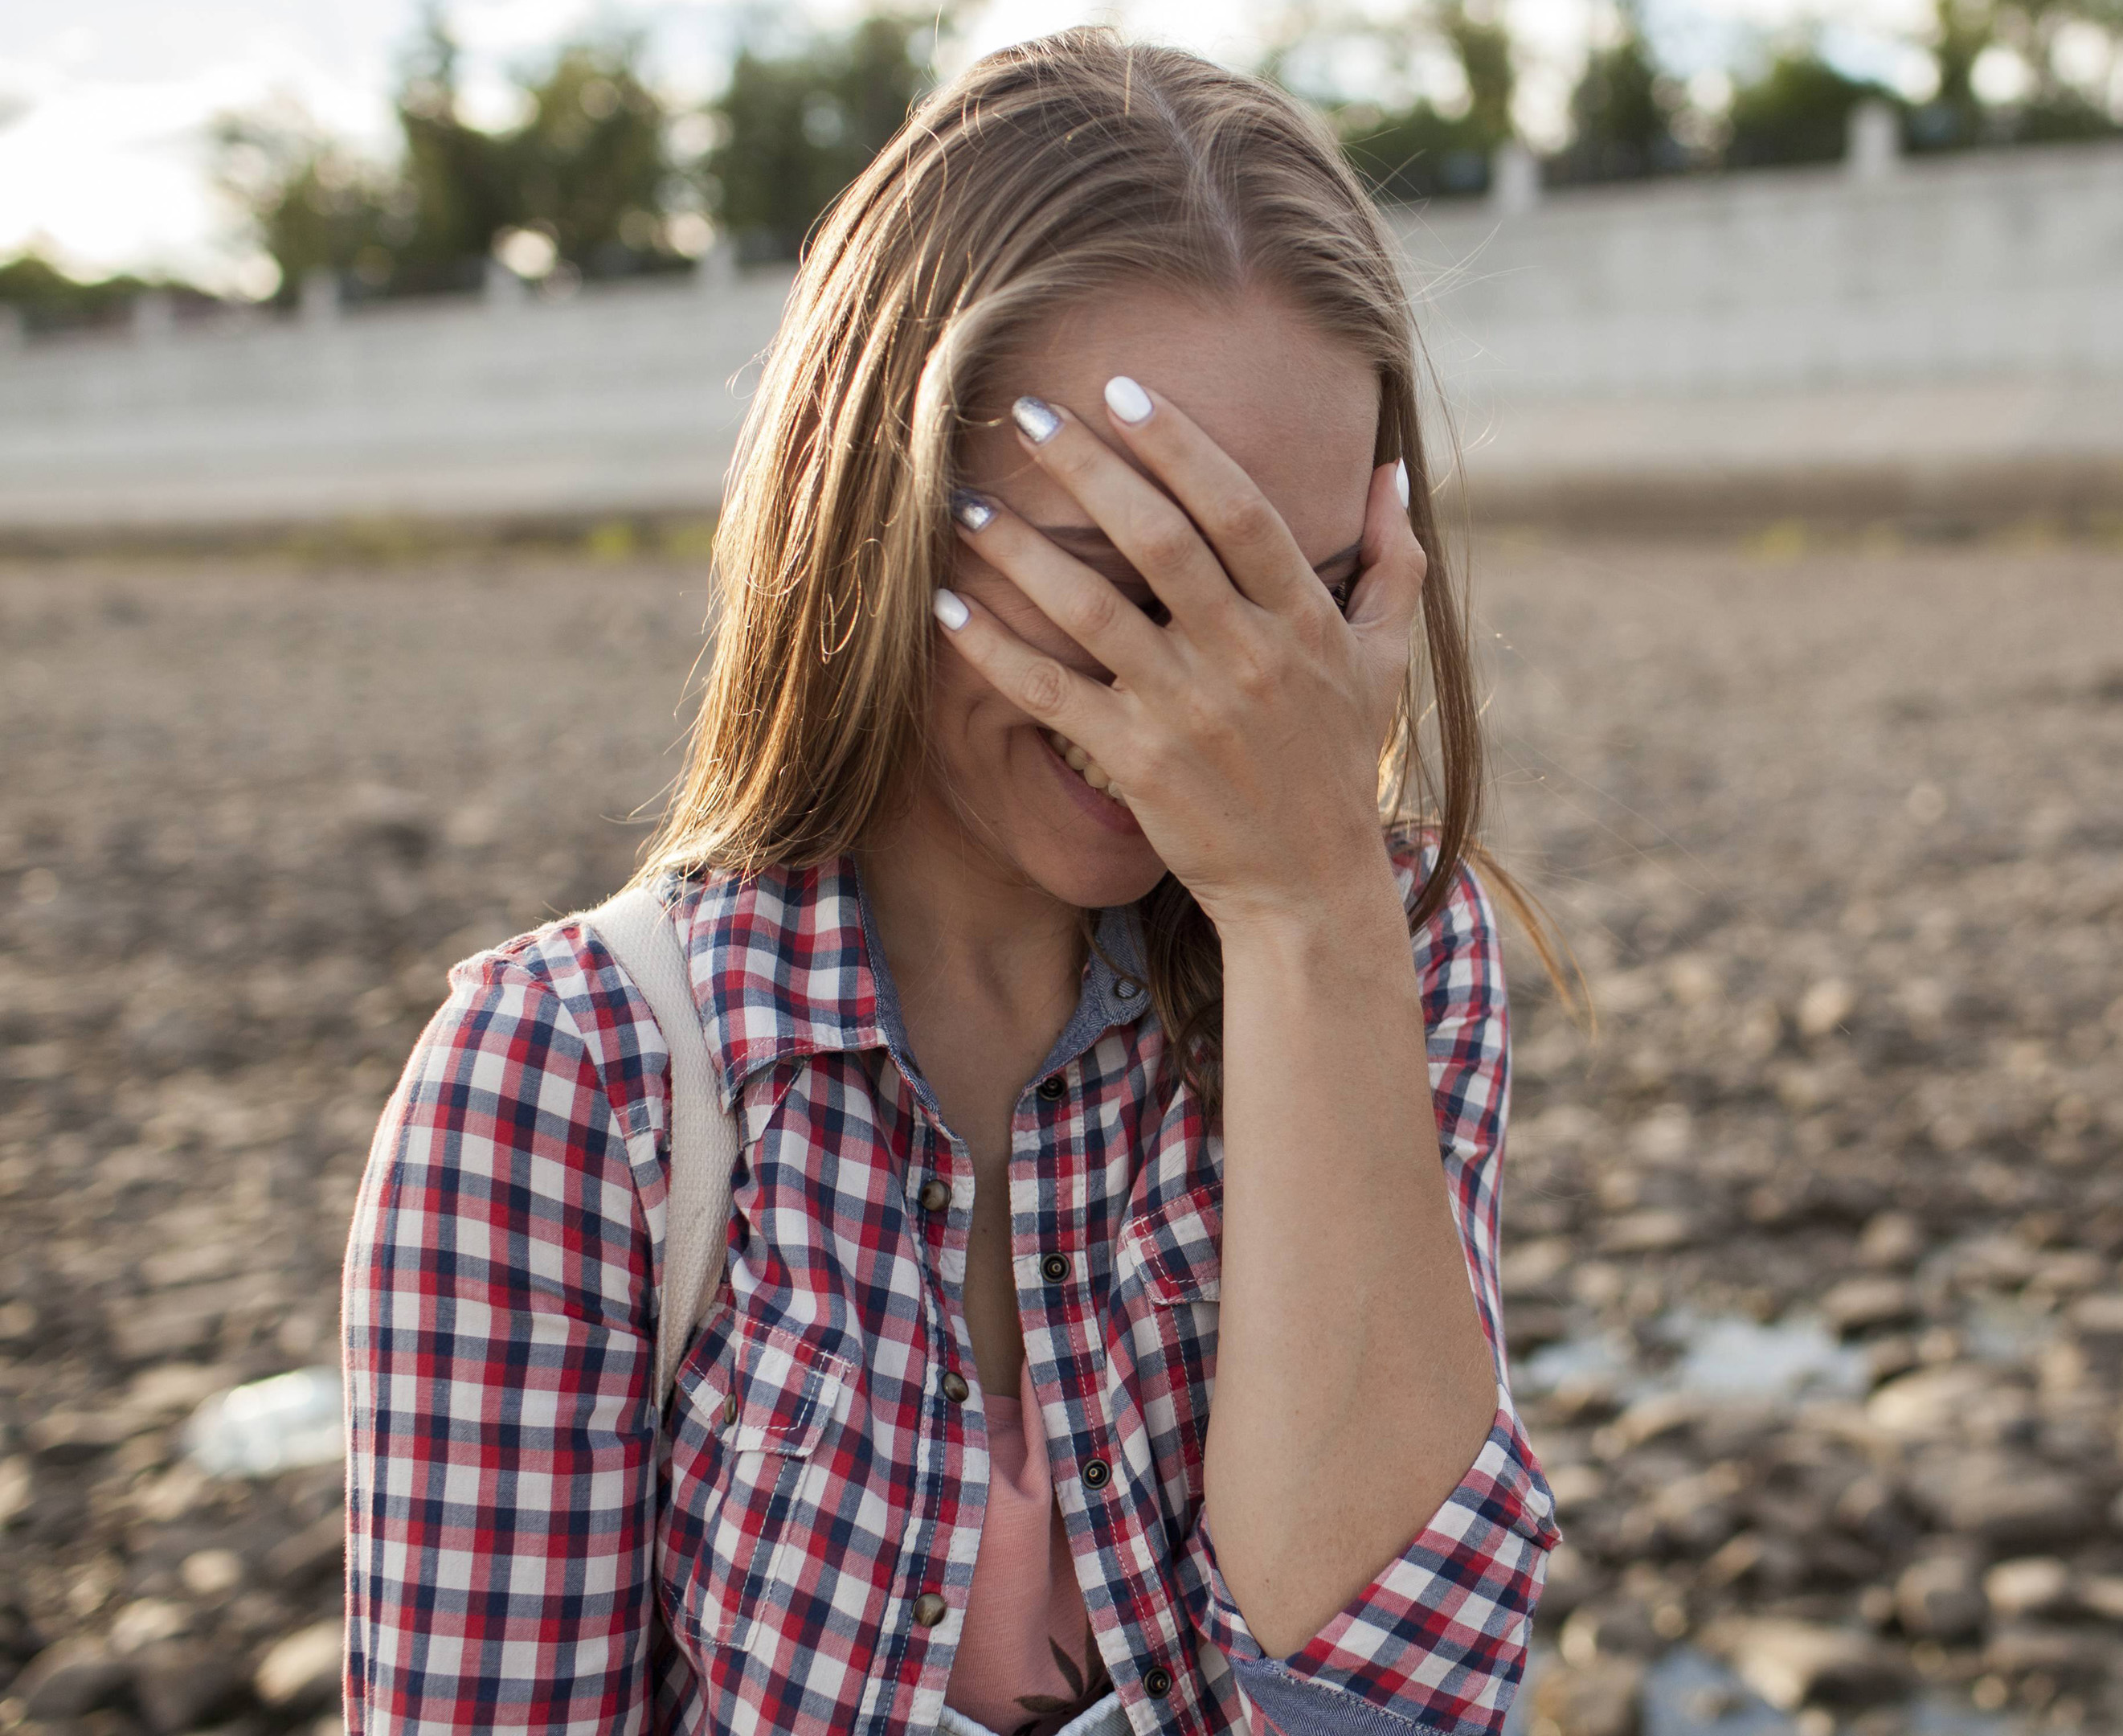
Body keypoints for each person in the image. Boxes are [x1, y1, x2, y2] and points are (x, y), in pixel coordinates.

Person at [341, 30, 1562, 1736]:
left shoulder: (1398, 957)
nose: (1223, 699)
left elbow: (1404, 1710)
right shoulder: (564, 1082)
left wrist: (1306, 923)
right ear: (878, 508)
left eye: (1307, 600)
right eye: (1121, 571)